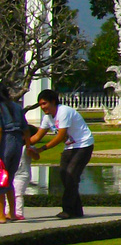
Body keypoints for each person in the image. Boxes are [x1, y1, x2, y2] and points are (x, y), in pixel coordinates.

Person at [29, 89, 95, 219]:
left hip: (83, 145)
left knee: (70, 175)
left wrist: (41, 149)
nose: (42, 107)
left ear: (53, 101)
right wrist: (21, 142)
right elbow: (36, 136)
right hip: (70, 147)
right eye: (40, 105)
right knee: (65, 176)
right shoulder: (47, 118)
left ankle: (68, 210)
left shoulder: (63, 111)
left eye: (44, 103)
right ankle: (77, 210)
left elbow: (60, 136)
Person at [0, 90, 25, 222]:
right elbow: (26, 129)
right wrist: (29, 145)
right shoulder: (17, 106)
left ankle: (1, 215)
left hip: (5, 142)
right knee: (9, 178)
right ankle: (13, 213)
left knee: (0, 178)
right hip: (17, 143)